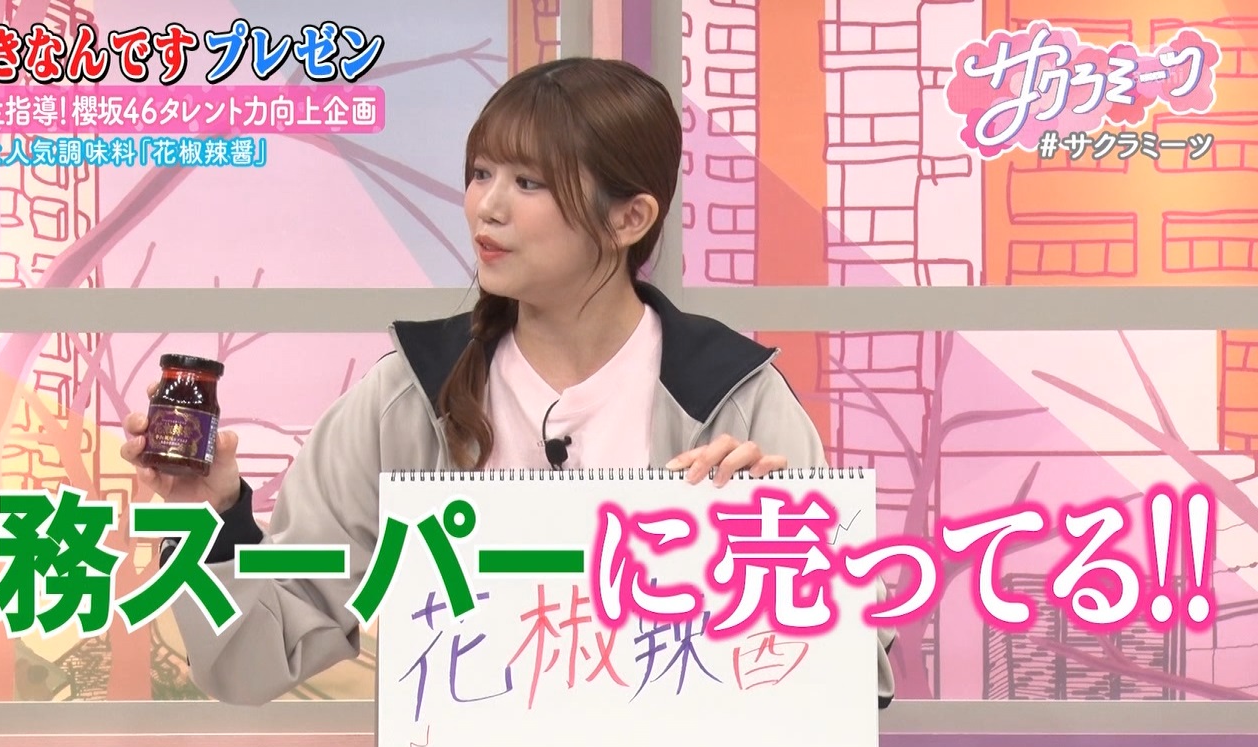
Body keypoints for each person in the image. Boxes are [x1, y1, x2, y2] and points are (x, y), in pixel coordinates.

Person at [121, 57, 896, 709]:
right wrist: (207, 514)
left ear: (629, 219)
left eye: (528, 182)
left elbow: (857, 684)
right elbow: (250, 663)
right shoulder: (405, 399)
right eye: (480, 173)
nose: (486, 208)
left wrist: (784, 555)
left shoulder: (735, 397)